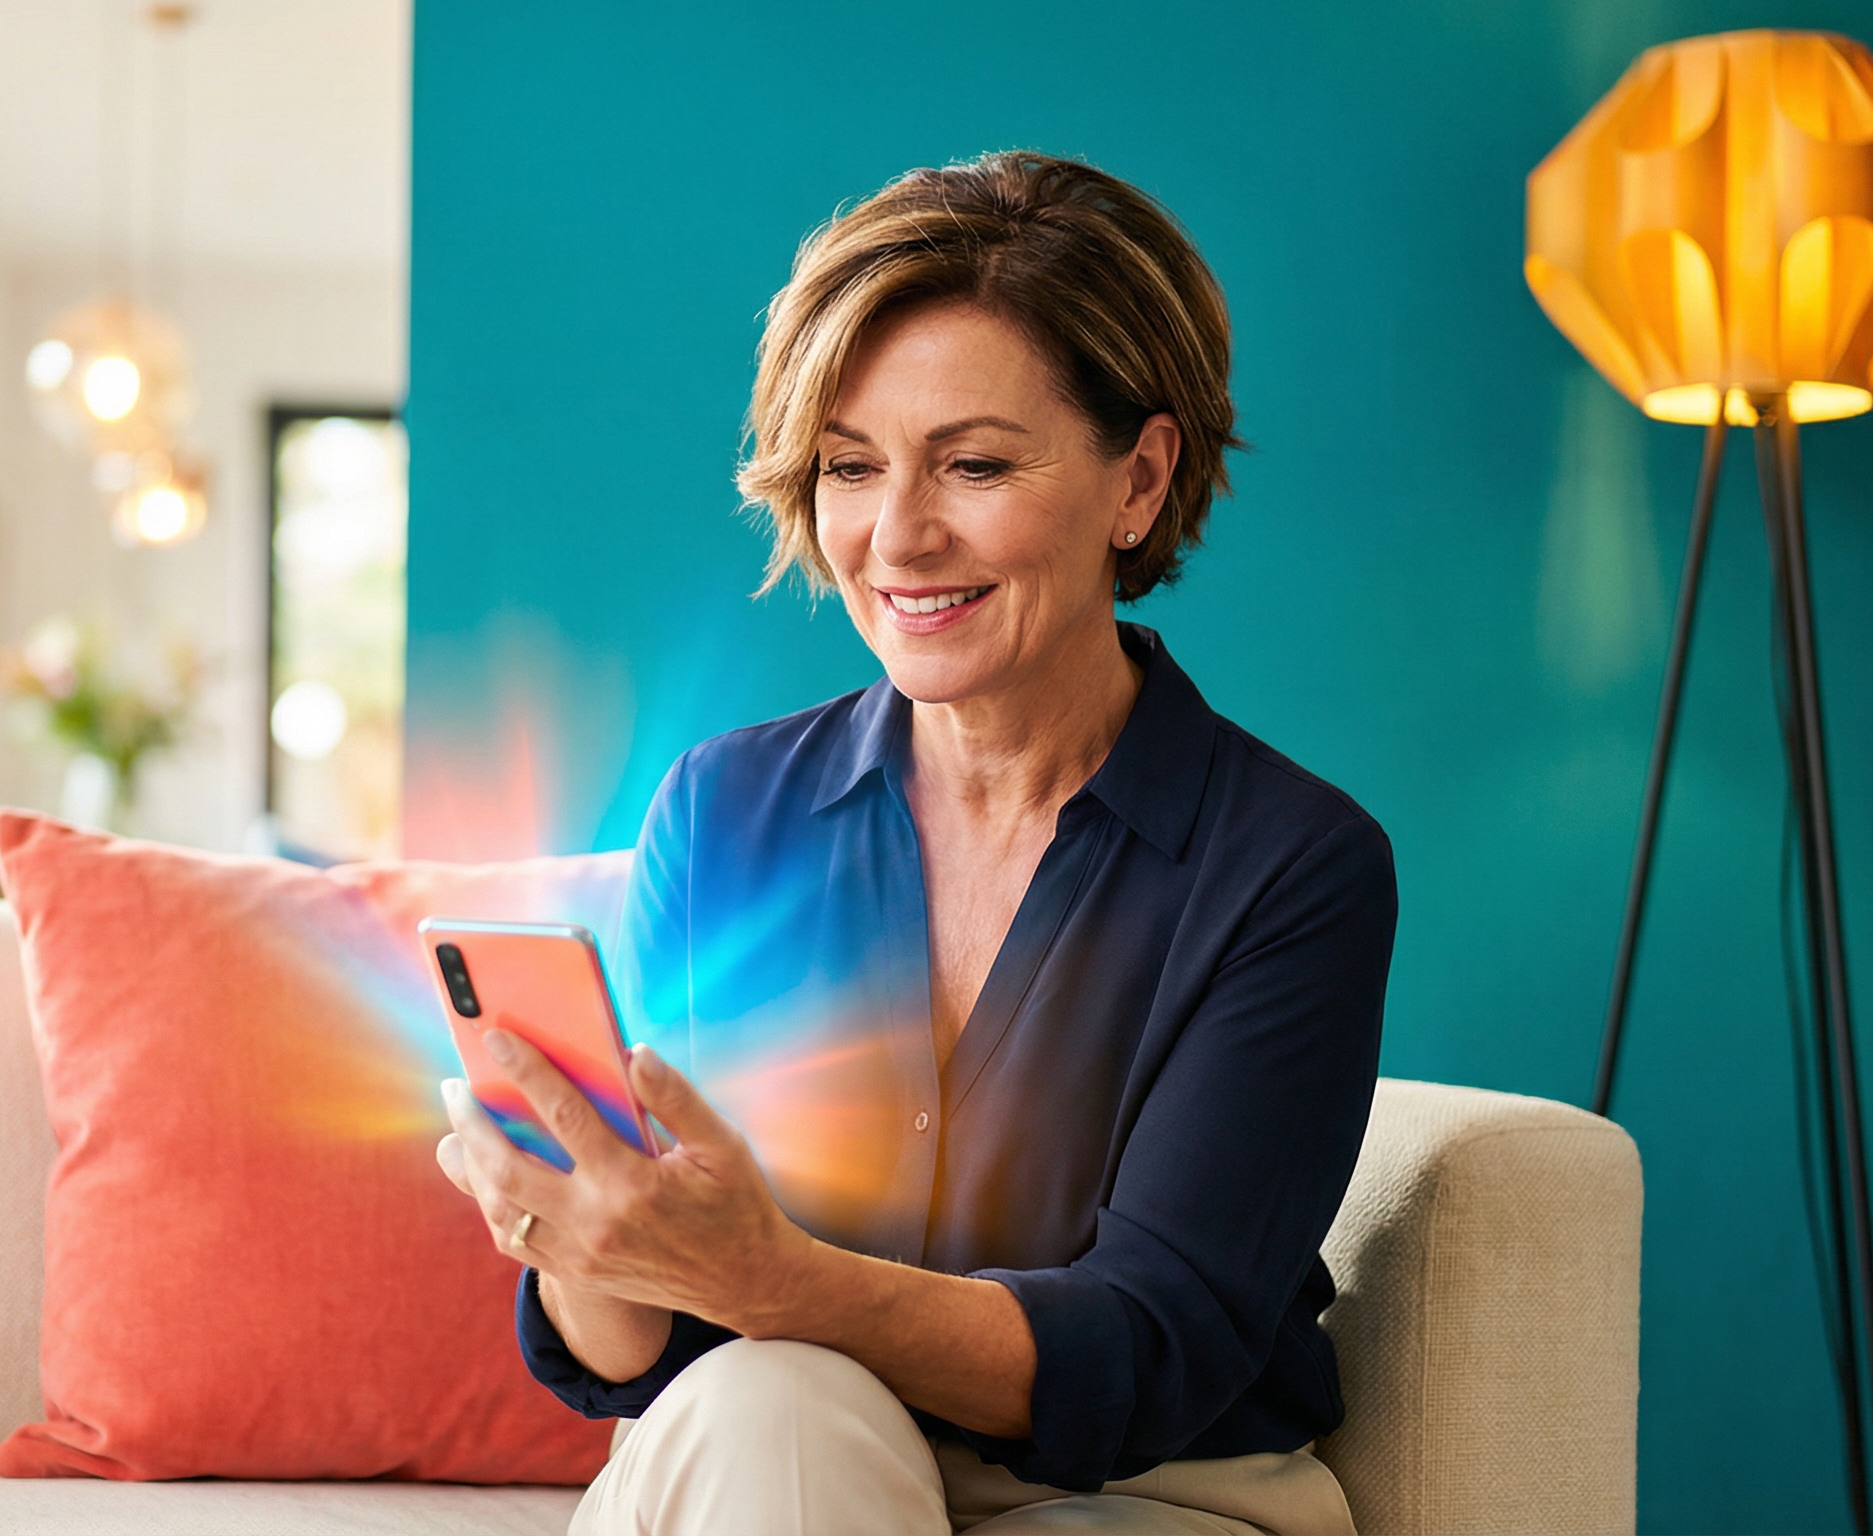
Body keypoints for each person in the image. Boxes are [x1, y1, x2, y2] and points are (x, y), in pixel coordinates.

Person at [435, 151, 1396, 1536]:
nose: (897, 538)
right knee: (775, 1412)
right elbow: (643, 1364)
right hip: (772, 1457)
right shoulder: (723, 811)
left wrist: (775, 1281)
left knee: (784, 1403)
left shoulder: (1293, 866)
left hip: (1140, 1496)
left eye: (977, 464)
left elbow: (1149, 1348)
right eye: (849, 467)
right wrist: (581, 1240)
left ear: (1140, 479)